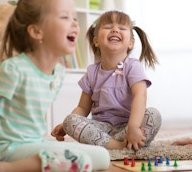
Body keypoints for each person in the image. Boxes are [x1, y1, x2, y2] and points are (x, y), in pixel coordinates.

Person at [0, 0, 110, 172]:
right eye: (65, 17)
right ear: (36, 31)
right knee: (78, 161)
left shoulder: (58, 73)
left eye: (75, 18)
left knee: (102, 157)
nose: (74, 23)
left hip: (34, 144)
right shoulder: (14, 69)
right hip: (6, 149)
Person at [51, 10, 162, 151]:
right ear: (96, 40)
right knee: (69, 120)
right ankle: (116, 147)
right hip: (101, 130)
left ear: (130, 43)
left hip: (128, 126)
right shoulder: (92, 72)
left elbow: (140, 96)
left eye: (121, 28)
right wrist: (65, 126)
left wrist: (133, 127)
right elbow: (83, 108)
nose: (115, 29)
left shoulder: (132, 66)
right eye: (108, 27)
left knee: (153, 115)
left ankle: (129, 141)